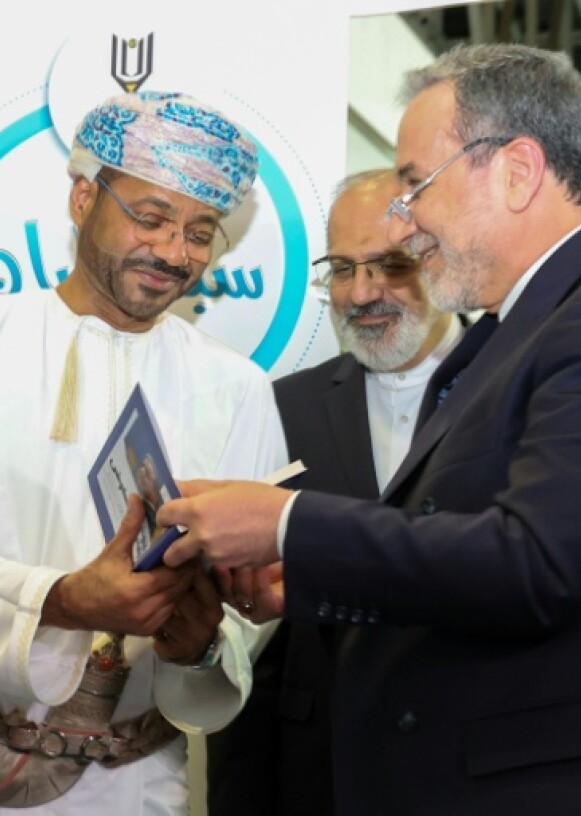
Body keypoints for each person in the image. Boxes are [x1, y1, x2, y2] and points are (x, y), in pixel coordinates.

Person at [159, 43, 581, 815]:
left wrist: (289, 523)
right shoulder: (510, 336)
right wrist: (305, 581)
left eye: (415, 185)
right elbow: (458, 548)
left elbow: (535, 564)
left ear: (516, 171)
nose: (403, 222)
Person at [0, 90, 287, 814]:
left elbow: (249, 611)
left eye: (200, 231)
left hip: (140, 783)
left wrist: (199, 646)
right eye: (150, 218)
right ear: (84, 197)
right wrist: (61, 602)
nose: (173, 253)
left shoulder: (237, 388)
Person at [206, 169, 462, 816]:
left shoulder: (514, 392)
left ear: (440, 255)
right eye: (342, 269)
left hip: (467, 763)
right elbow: (253, 645)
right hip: (315, 774)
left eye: (389, 265)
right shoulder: (284, 407)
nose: (362, 292)